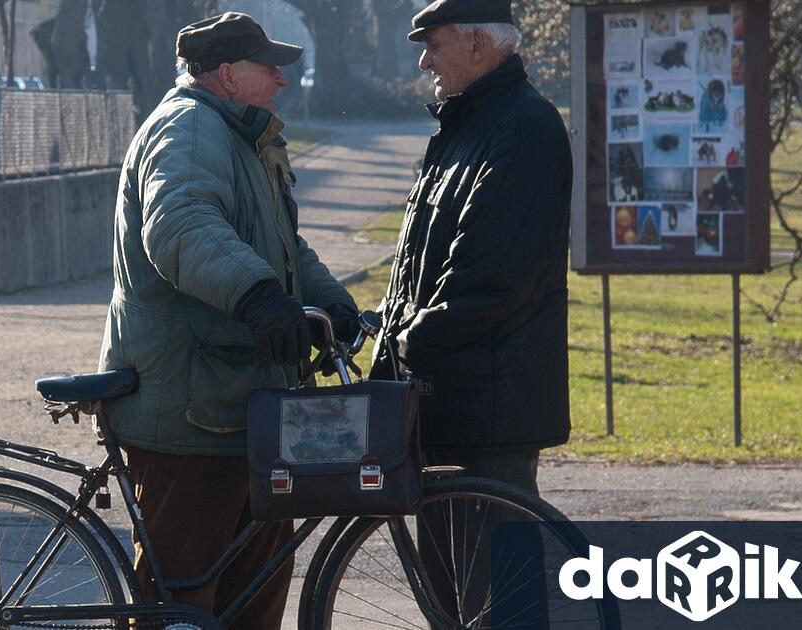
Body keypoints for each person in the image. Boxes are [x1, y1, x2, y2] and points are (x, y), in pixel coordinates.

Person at [97, 12, 358, 629]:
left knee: (255, 594)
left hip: (244, 408)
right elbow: (182, 228)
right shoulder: (189, 131)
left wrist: (334, 306)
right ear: (225, 75)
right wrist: (261, 300)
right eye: (268, 67)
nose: (281, 80)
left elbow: (284, 249)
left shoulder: (243, 137)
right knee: (182, 602)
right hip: (191, 413)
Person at [372, 0, 572, 624]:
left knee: (498, 607)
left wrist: (405, 341)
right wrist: (382, 328)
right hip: (447, 401)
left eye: (434, 44)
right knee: (454, 605)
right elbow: (420, 264)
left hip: (490, 410)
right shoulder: (466, 127)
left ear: (479, 46)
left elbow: (492, 279)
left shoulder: (523, 128)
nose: (424, 60)